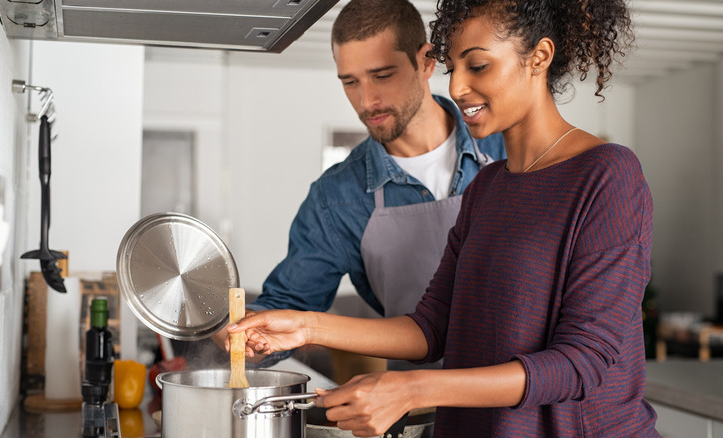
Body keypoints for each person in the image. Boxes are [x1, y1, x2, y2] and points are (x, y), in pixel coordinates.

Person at [229, 0, 659, 437]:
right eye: (454, 68)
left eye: (478, 66)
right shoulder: (487, 188)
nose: (457, 87)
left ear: (540, 58)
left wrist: (413, 389)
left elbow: (580, 364)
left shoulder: (606, 175)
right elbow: (430, 327)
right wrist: (303, 326)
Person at [213, 0, 505, 370]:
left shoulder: (508, 149)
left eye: (382, 76)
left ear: (427, 61)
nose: (367, 101)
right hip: (411, 412)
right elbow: (287, 305)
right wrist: (243, 331)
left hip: (522, 403)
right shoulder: (335, 199)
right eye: (350, 82)